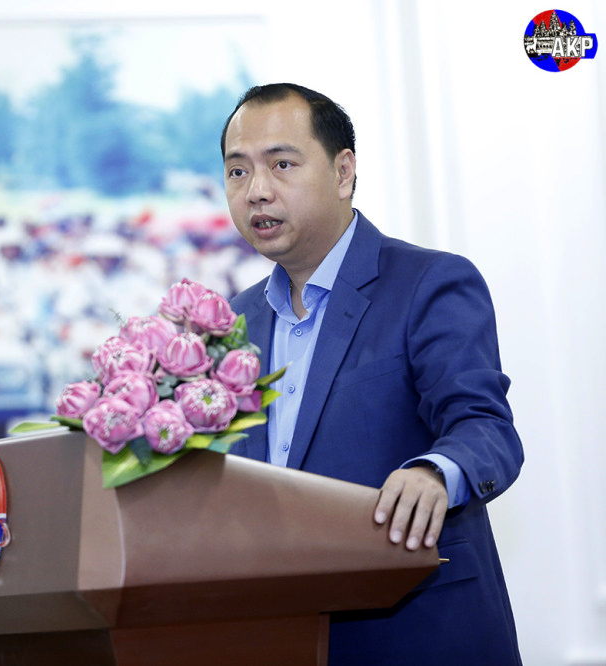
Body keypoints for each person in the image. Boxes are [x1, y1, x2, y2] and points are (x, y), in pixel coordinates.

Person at [221, 83, 523, 665]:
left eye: (281, 164)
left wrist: (436, 473)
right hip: (281, 639)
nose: (257, 190)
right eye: (238, 172)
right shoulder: (231, 324)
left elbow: (484, 425)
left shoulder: (428, 283)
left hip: (418, 634)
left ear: (343, 172)